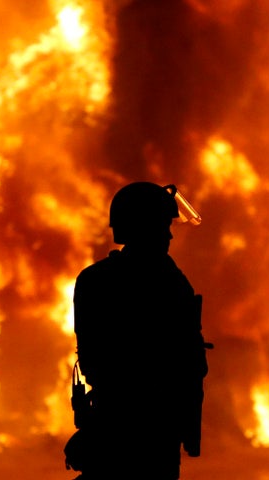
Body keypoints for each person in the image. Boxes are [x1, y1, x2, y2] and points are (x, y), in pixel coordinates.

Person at [71, 182, 208, 480]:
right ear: (142, 227)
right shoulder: (169, 283)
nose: (170, 234)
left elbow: (92, 361)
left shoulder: (94, 280)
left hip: (113, 424)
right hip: (148, 431)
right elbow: (189, 361)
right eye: (163, 225)